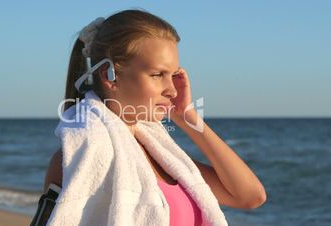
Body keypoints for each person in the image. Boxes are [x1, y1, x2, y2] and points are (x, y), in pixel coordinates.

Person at [43, 8, 266, 226]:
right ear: (109, 76)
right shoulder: (79, 159)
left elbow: (250, 196)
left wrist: (186, 116)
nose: (172, 90)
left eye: (174, 75)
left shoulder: (162, 155)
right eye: (158, 74)